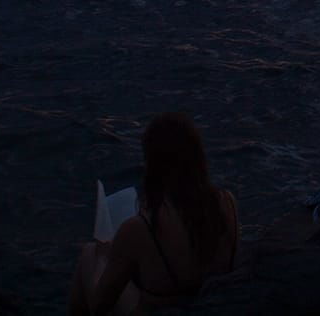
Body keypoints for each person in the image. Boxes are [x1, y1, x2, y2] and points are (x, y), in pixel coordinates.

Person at [69, 112, 239, 314]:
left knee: (90, 253)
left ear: (152, 164)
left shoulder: (140, 229)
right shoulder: (227, 203)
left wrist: (107, 255)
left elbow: (100, 306)